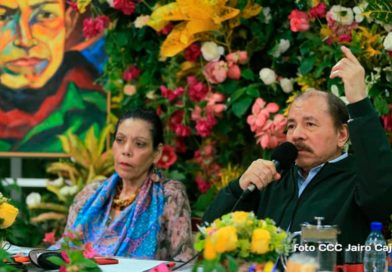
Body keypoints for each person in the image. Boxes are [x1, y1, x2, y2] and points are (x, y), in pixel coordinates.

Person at [203, 46, 392, 250]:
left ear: (342, 135)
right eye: (291, 126)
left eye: (310, 124)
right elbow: (209, 234)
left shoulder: (360, 179)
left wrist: (359, 102)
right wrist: (238, 188)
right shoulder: (274, 177)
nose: (296, 134)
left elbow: (380, 191)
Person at [50, 109, 195, 261]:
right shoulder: (90, 194)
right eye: (120, 140)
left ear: (157, 153)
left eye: (139, 144)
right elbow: (65, 250)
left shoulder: (169, 194)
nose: (126, 151)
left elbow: (184, 261)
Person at [0, 0, 106, 152]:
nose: (25, 40)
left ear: (69, 22)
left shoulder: (96, 104)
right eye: (2, 17)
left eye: (46, 15)